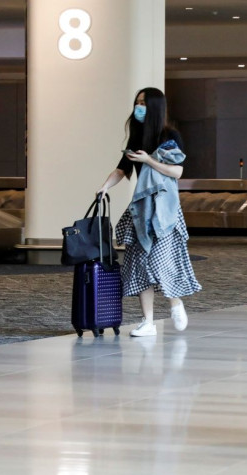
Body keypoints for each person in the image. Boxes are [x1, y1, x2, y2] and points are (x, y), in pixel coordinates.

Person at [97, 87, 201, 337]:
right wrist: (104, 187)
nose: (138, 107)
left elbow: (177, 171)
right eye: (137, 102)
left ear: (155, 106)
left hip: (164, 209)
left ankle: (175, 303)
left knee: (161, 259)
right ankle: (148, 321)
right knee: (140, 263)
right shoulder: (137, 137)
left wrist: (149, 161)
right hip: (141, 209)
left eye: (143, 102)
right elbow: (122, 169)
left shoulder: (170, 135)